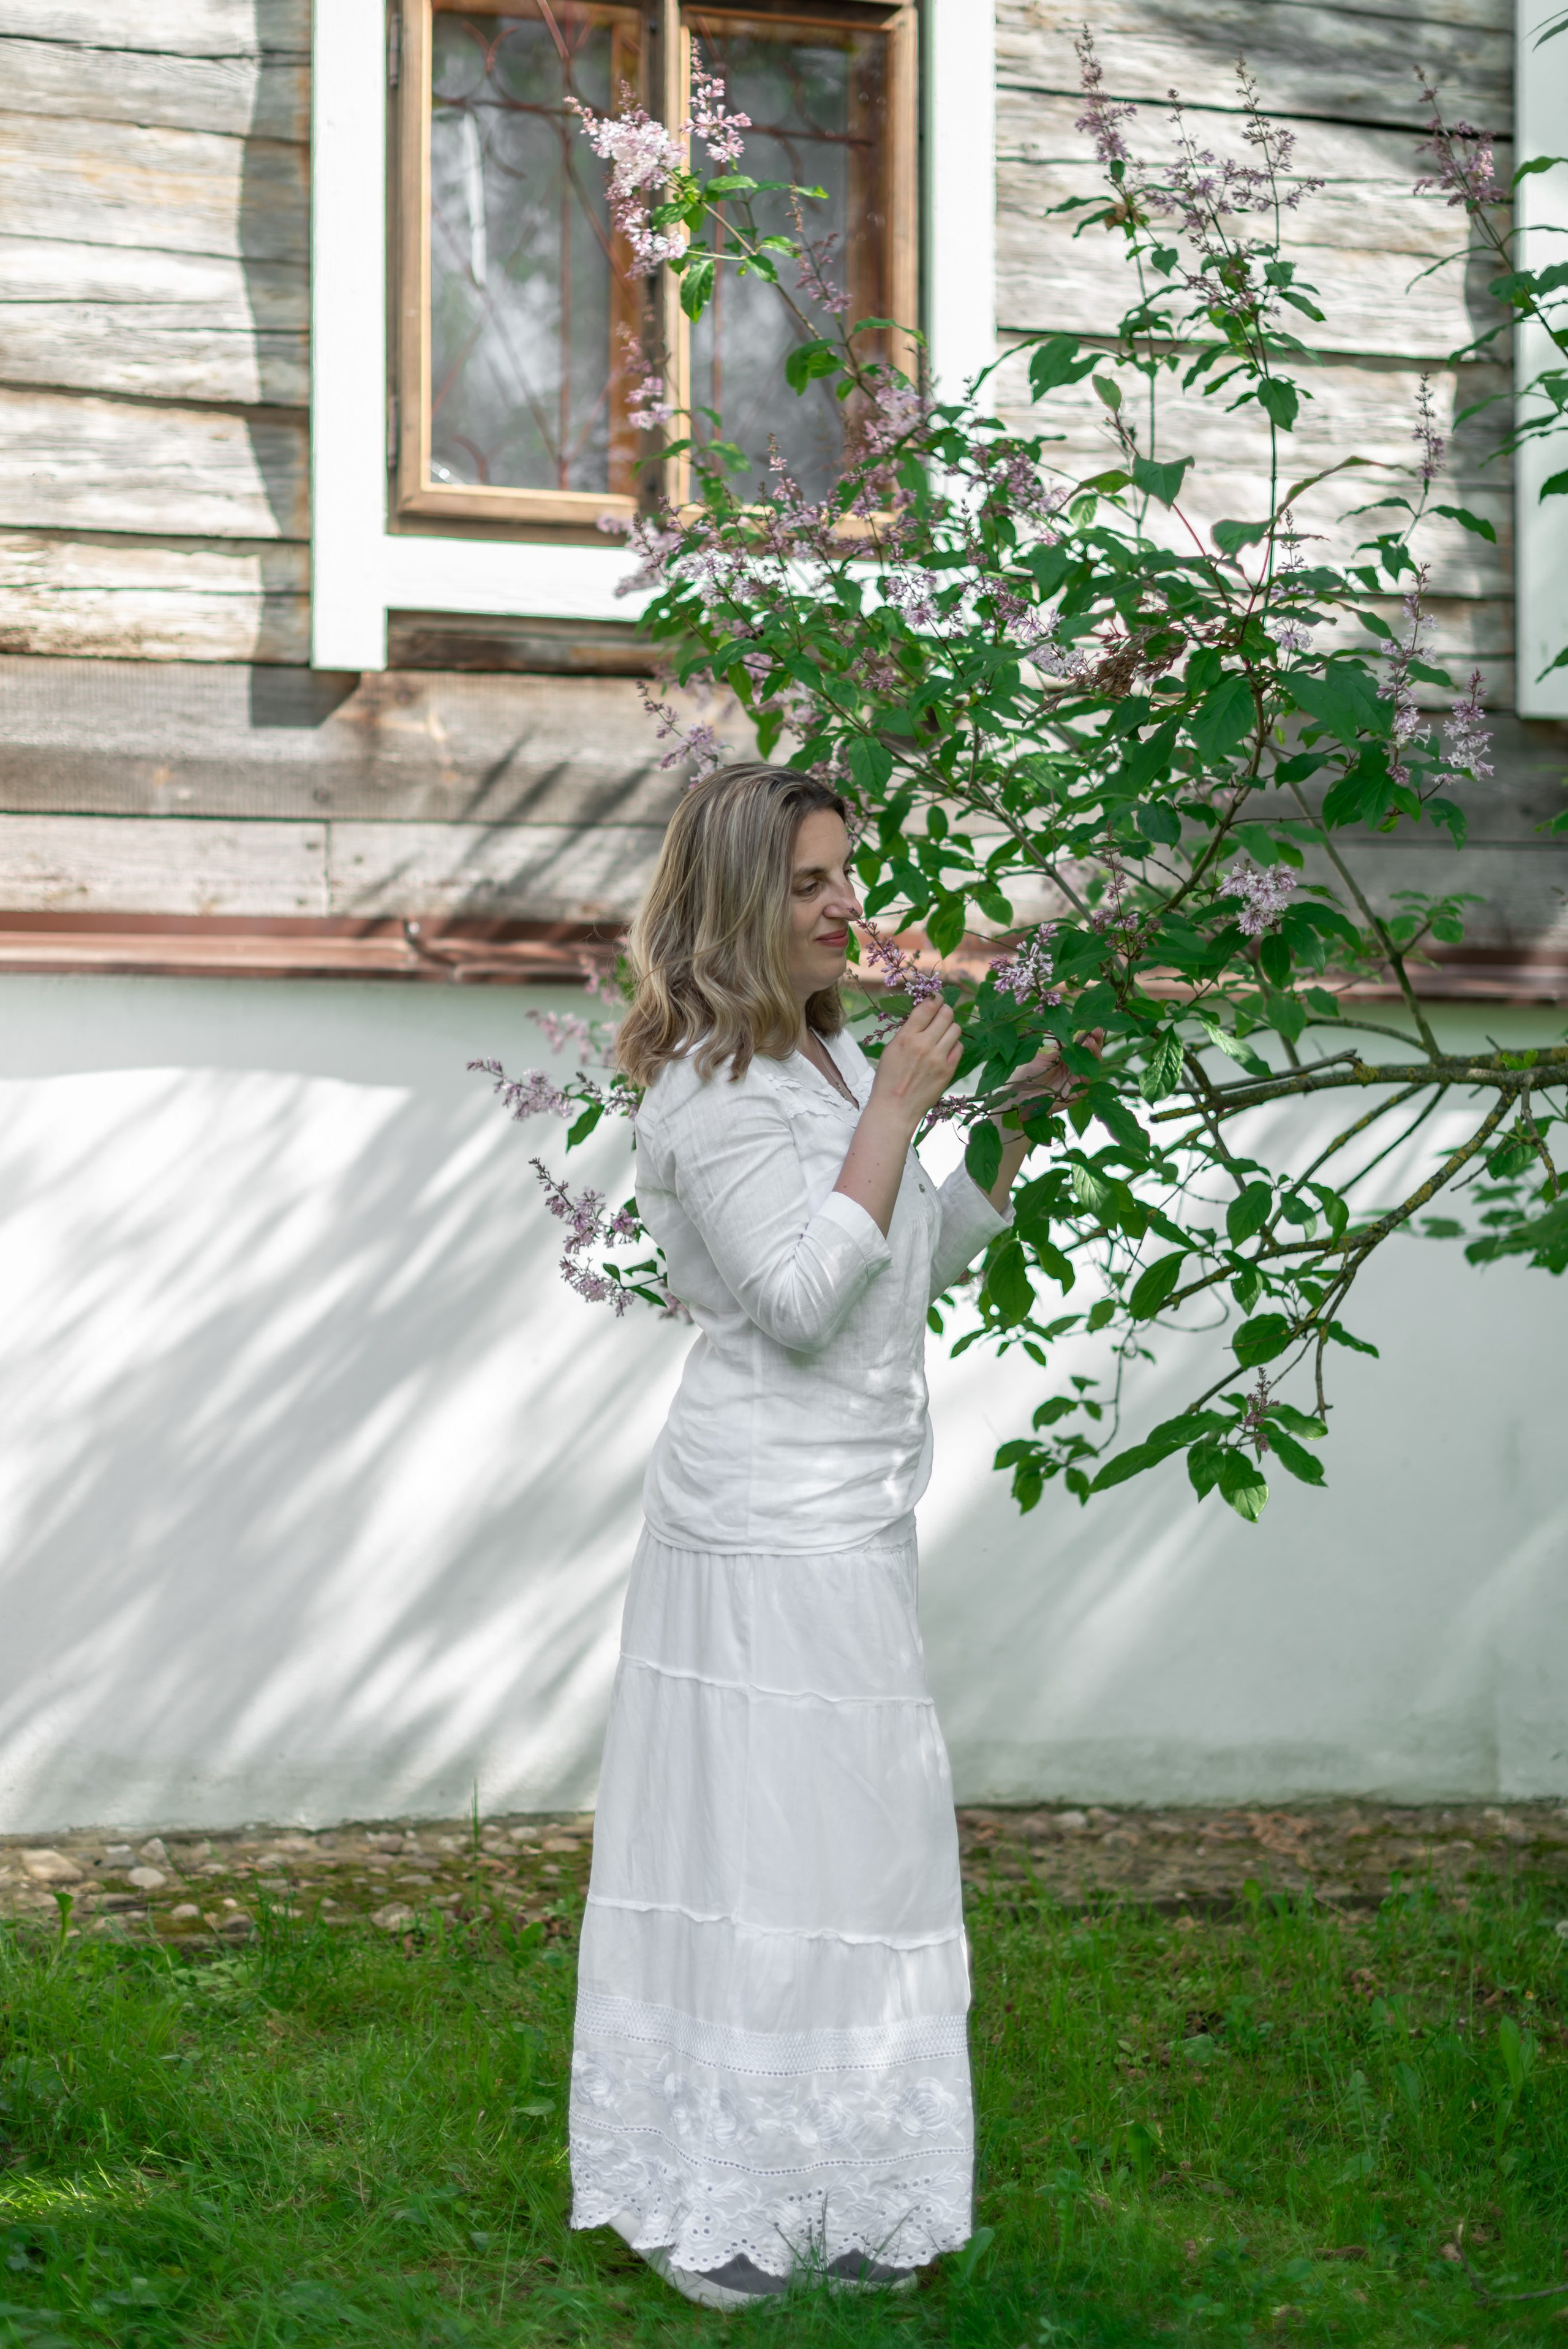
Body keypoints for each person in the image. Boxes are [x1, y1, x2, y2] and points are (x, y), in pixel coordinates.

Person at [567, 762, 1070, 2309]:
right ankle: (723, 2199)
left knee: (852, 1854)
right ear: (734, 906)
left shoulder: (827, 1070)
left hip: (850, 1512)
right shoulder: (712, 1097)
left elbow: (898, 1249)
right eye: (807, 884)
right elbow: (795, 1301)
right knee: (764, 1856)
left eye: (845, 873)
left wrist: (999, 1132)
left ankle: (841, 2178)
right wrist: (907, 1106)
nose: (847, 903)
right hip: (759, 1528)